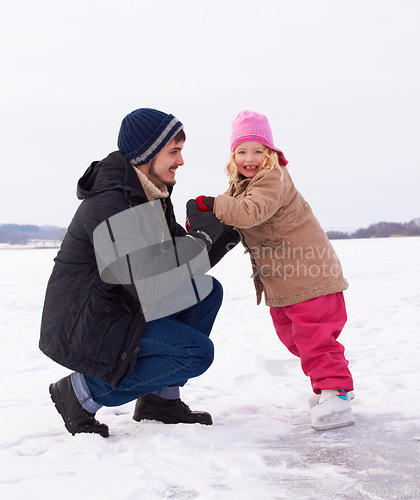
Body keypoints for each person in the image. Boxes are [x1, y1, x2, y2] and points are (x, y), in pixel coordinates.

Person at [39, 108, 239, 437]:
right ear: (148, 154)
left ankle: (160, 400)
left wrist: (220, 237)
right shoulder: (110, 204)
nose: (181, 161)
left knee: (206, 292)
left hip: (120, 307)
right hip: (89, 322)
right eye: (174, 152)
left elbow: (180, 261)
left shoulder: (148, 196)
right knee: (195, 353)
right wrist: (201, 241)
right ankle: (80, 393)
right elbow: (145, 282)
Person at [193, 110, 355, 431]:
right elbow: (229, 211)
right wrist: (200, 218)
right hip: (284, 281)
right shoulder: (240, 187)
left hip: (309, 273)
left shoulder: (273, 178)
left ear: (270, 154)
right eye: (242, 151)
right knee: (291, 335)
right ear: (233, 156)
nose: (249, 158)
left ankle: (336, 391)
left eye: (257, 150)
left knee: (315, 338)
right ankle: (327, 385)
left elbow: (250, 212)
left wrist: (212, 204)